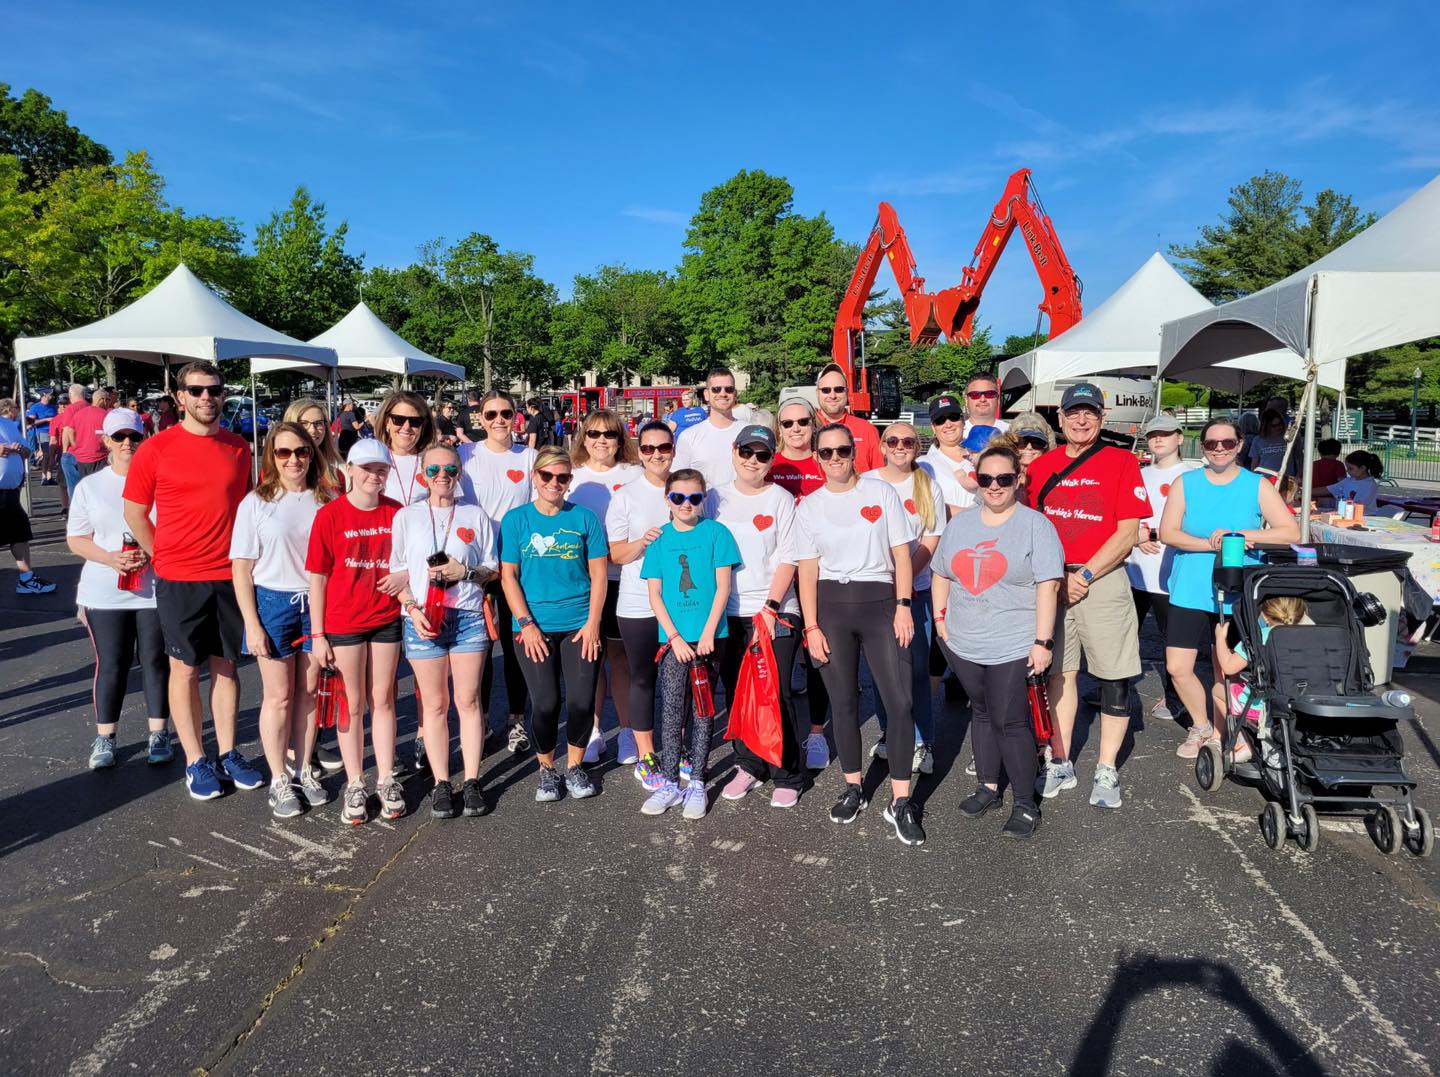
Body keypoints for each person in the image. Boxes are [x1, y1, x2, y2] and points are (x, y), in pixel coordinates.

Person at [123, 361, 262, 801]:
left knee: (226, 666)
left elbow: (251, 511)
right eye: (196, 390)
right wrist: (161, 556)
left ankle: (227, 752)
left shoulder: (239, 448)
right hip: (179, 577)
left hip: (229, 576)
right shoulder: (156, 448)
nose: (207, 397)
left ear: (223, 395)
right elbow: (134, 512)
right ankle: (195, 761)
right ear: (179, 396)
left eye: (214, 390)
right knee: (184, 669)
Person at [1023, 382, 1152, 809]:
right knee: (1059, 674)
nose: (1081, 420)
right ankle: (1060, 760)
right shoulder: (1042, 467)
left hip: (1103, 579)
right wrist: (1059, 574)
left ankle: (1107, 767)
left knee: (1114, 677)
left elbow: (1128, 531)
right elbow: (1032, 529)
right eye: (1074, 413)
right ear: (1059, 418)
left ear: (1102, 418)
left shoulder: (1121, 461)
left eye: (1090, 413)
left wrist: (1087, 573)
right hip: (1054, 582)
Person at [796, 423, 925, 845]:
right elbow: (808, 570)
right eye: (827, 453)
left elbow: (901, 554)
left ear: (855, 452)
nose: (836, 459)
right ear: (817, 458)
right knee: (844, 702)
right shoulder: (809, 506)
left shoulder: (879, 493)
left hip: (882, 603)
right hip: (832, 608)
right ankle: (854, 786)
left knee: (900, 701)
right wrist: (811, 626)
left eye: (843, 451)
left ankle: (901, 799)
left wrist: (904, 605)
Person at [932, 443, 1063, 839]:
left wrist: (1042, 642)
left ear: (1018, 479)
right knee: (982, 712)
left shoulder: (1035, 525)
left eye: (1003, 479)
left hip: (1014, 641)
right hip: (963, 640)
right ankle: (988, 786)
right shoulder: (961, 525)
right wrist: (940, 621)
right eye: (985, 479)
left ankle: (1025, 802)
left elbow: (1048, 585)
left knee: (1011, 721)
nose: (994, 486)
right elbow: (941, 572)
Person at [1159, 418, 1297, 761]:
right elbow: (1168, 533)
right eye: (1211, 444)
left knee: (1227, 667)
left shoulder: (1258, 485)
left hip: (1237, 588)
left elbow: (1290, 532)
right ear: (1202, 447)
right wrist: (1209, 544)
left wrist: (1241, 535)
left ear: (1240, 445)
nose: (1219, 449)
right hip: (1190, 587)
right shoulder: (1185, 483)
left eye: (1227, 443)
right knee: (1178, 667)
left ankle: (1224, 733)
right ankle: (1201, 724)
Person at [230, 422, 332, 817]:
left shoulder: (326, 498)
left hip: (316, 603)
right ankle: (278, 778)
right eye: (283, 452)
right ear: (271, 456)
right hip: (273, 603)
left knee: (308, 694)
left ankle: (305, 768)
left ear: (313, 453)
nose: (294, 460)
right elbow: (241, 569)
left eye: (302, 452)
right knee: (279, 696)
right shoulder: (257, 502)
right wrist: (252, 624)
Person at [392, 444, 497, 819]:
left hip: (467, 616)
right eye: (434, 470)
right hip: (424, 619)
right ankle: (440, 783)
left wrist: (464, 573)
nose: (443, 477)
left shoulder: (475, 514)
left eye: (450, 470)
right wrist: (410, 607)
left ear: (460, 475)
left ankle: (471, 781)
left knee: (468, 702)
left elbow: (492, 569)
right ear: (423, 474)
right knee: (434, 705)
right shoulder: (406, 517)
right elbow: (398, 572)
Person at [500, 448, 608, 802]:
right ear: (535, 477)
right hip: (534, 627)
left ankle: (575, 766)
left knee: (581, 702)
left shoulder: (585, 518)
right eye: (547, 476)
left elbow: (599, 575)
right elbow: (509, 577)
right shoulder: (516, 520)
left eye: (562, 477)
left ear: (569, 482)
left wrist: (593, 623)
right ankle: (547, 769)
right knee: (545, 703)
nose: (554, 483)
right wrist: (526, 624)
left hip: (580, 624)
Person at [307, 439, 405, 826]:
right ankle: (354, 782)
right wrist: (317, 634)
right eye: (366, 468)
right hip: (343, 621)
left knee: (382, 699)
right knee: (352, 703)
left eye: (380, 469)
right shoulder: (330, 515)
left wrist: (403, 576)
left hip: (385, 618)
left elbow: (410, 559)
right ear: (348, 469)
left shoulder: (397, 512)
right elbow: (318, 577)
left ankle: (385, 778)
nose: (373, 476)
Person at [66, 407, 170, 769]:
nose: (128, 443)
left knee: (155, 662)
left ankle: (159, 733)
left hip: (153, 588)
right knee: (112, 664)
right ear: (106, 441)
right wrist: (110, 558)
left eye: (135, 436)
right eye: (120, 437)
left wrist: (152, 552)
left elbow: (172, 529)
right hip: (104, 591)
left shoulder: (159, 480)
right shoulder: (90, 486)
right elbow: (76, 539)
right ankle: (105, 737)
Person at [638, 467, 741, 819]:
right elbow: (655, 594)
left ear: (703, 500)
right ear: (668, 499)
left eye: (694, 498)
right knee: (671, 710)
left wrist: (710, 631)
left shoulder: (717, 533)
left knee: (702, 709)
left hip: (710, 638)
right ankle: (669, 782)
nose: (686, 504)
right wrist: (675, 637)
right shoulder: (660, 540)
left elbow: (723, 587)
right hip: (673, 641)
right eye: (678, 497)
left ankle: (696, 780)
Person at [713, 425, 806, 808]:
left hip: (775, 610)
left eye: (762, 455)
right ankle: (749, 763)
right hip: (727, 612)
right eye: (746, 452)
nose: (753, 461)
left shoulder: (781, 499)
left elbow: (790, 556)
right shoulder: (714, 497)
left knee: (777, 692)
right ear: (734, 452)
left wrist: (770, 607)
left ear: (771, 459)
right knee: (738, 694)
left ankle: (789, 772)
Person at [460, 389, 536, 753]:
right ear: (480, 419)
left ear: (516, 415)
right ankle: (483, 717)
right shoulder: (465, 455)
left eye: (506, 413)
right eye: (491, 415)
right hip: (475, 565)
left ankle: (517, 719)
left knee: (514, 643)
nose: (499, 421)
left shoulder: (529, 457)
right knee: (477, 647)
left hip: (515, 565)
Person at [870, 421, 945, 774]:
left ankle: (922, 740)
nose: (901, 446)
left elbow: (931, 540)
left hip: (917, 589)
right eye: (893, 441)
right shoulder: (867, 482)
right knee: (882, 670)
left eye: (909, 441)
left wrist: (904, 578)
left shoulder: (927, 484)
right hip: (874, 591)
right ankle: (889, 733)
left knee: (914, 670)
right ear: (883, 446)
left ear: (918, 447)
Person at [568, 409, 642, 764]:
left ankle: (627, 732)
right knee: (590, 658)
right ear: (584, 437)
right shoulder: (574, 478)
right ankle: (594, 731)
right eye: (594, 434)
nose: (602, 441)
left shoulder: (634, 474)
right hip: (585, 581)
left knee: (621, 658)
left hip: (625, 578)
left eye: (610, 435)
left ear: (620, 439)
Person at [608, 421, 678, 789]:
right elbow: (615, 554)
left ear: (673, 448)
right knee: (642, 678)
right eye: (648, 449)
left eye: (663, 448)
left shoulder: (688, 488)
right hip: (636, 602)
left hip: (681, 603)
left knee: (678, 678)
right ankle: (647, 753)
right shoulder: (626, 495)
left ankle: (677, 746)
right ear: (639, 450)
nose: (656, 455)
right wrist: (643, 542)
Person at [1126, 414, 1196, 723]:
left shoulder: (1193, 475)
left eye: (1165, 434)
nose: (1158, 439)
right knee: (1124, 635)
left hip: (1171, 572)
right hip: (1135, 570)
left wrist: (1153, 535)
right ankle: (1114, 688)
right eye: (1153, 434)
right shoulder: (1137, 474)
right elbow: (1126, 516)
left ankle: (1174, 696)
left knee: (1173, 640)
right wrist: (1137, 538)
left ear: (1179, 438)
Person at [1210, 596, 1309, 763]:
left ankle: (1242, 740)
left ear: (1264, 615)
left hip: (1261, 705)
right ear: (1301, 613)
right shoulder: (1308, 638)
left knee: (1218, 691)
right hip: (1296, 702)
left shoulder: (1258, 639)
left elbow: (1228, 667)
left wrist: (1220, 638)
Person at [0, 398, 53, 595]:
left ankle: (26, 578)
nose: (17, 410)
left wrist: (21, 449)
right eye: (14, 407)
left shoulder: (9, 425)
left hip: (11, 492)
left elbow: (27, 450)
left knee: (20, 532)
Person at [673, 367, 744, 488]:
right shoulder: (689, 436)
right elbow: (678, 482)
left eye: (729, 389)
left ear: (734, 394)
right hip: (704, 506)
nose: (723, 393)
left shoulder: (748, 431)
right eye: (716, 389)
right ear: (706, 394)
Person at [813, 363, 882, 472]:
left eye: (839, 389)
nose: (833, 395)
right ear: (817, 393)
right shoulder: (805, 428)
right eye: (826, 390)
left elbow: (879, 474)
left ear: (847, 391)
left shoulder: (867, 430)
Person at [920, 393, 978, 514]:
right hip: (947, 530)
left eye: (953, 417)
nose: (948, 424)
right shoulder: (923, 464)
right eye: (940, 420)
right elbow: (925, 505)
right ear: (933, 427)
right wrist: (974, 516)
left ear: (963, 421)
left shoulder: (982, 455)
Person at [375, 391, 435, 507]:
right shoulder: (372, 461)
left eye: (415, 422)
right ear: (387, 422)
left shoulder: (435, 461)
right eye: (399, 419)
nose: (406, 427)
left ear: (423, 426)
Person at [283, 398, 345, 495]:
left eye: (318, 423)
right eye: (303, 423)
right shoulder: (275, 466)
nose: (312, 430)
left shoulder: (338, 471)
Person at [770, 398, 826, 501]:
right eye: (787, 423)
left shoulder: (827, 462)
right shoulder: (768, 464)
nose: (796, 429)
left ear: (813, 425)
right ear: (780, 430)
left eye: (803, 422)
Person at [1006, 411, 1056, 506]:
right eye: (1022, 442)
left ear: (1047, 446)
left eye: (1037, 442)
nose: (1029, 447)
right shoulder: (999, 472)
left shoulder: (1052, 478)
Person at [65, 386, 113, 484]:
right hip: (100, 458)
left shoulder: (79, 414)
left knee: (85, 487)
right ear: (102, 400)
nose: (109, 403)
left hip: (81, 459)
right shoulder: (107, 415)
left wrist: (76, 445)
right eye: (108, 400)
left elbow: (69, 430)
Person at [54, 383, 88, 504]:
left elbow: (67, 430)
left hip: (74, 452)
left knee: (73, 486)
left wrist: (65, 450)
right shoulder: (90, 407)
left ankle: (76, 513)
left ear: (70, 395)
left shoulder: (71, 409)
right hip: (87, 451)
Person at [1246, 408, 1295, 477]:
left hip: (1286, 479)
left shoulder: (1289, 437)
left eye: (1280, 424)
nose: (1278, 427)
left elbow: (1299, 457)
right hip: (1266, 480)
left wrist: (1299, 474)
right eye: (1274, 426)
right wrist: (1254, 479)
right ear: (1266, 426)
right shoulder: (1258, 440)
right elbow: (1254, 463)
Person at [962, 373, 1010, 437]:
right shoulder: (955, 434)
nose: (982, 399)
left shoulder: (1012, 432)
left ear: (998, 399)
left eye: (989, 394)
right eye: (975, 394)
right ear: (966, 400)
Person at [26, 389, 56, 485]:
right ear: (44, 395)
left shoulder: (53, 407)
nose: (52, 396)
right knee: (46, 455)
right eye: (50, 394)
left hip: (54, 432)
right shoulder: (35, 407)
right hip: (42, 432)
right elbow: (31, 423)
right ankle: (44, 477)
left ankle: (49, 476)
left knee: (53, 456)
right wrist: (47, 419)